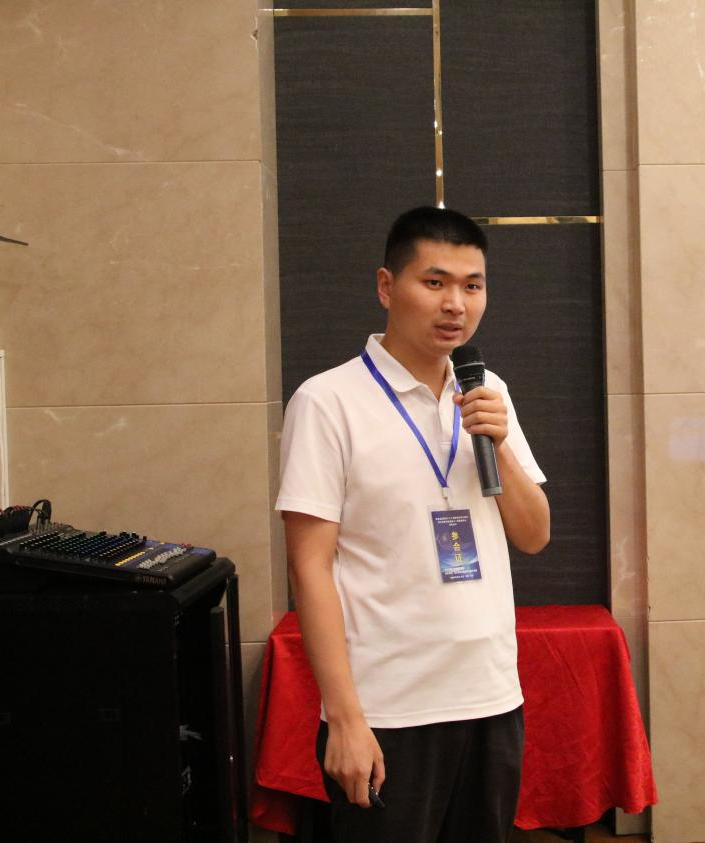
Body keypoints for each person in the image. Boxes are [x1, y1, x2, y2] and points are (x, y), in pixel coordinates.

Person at [275, 206, 550, 843]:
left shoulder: (487, 391)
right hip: (388, 710)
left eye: (473, 285)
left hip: (490, 698)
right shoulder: (327, 401)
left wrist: (500, 445)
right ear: (386, 286)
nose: (456, 303)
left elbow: (534, 535)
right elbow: (309, 568)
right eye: (435, 282)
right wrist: (345, 718)